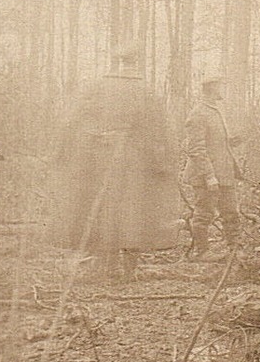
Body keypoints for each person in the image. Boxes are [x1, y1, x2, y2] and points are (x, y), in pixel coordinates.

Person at [51, 41, 182, 280]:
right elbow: (160, 130)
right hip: (136, 161)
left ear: (117, 62)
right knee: (135, 211)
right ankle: (129, 269)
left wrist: (74, 150)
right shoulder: (147, 91)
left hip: (100, 160)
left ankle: (109, 266)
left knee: (105, 210)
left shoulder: (97, 87)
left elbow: (72, 122)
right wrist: (163, 162)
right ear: (135, 63)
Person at [182, 71, 242, 259]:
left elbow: (212, 142)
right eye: (221, 85)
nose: (223, 89)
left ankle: (234, 249)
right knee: (203, 214)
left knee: (231, 211)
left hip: (223, 173)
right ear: (212, 88)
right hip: (206, 175)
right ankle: (202, 252)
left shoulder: (215, 109)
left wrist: (231, 141)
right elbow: (196, 149)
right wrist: (209, 176)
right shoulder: (198, 114)